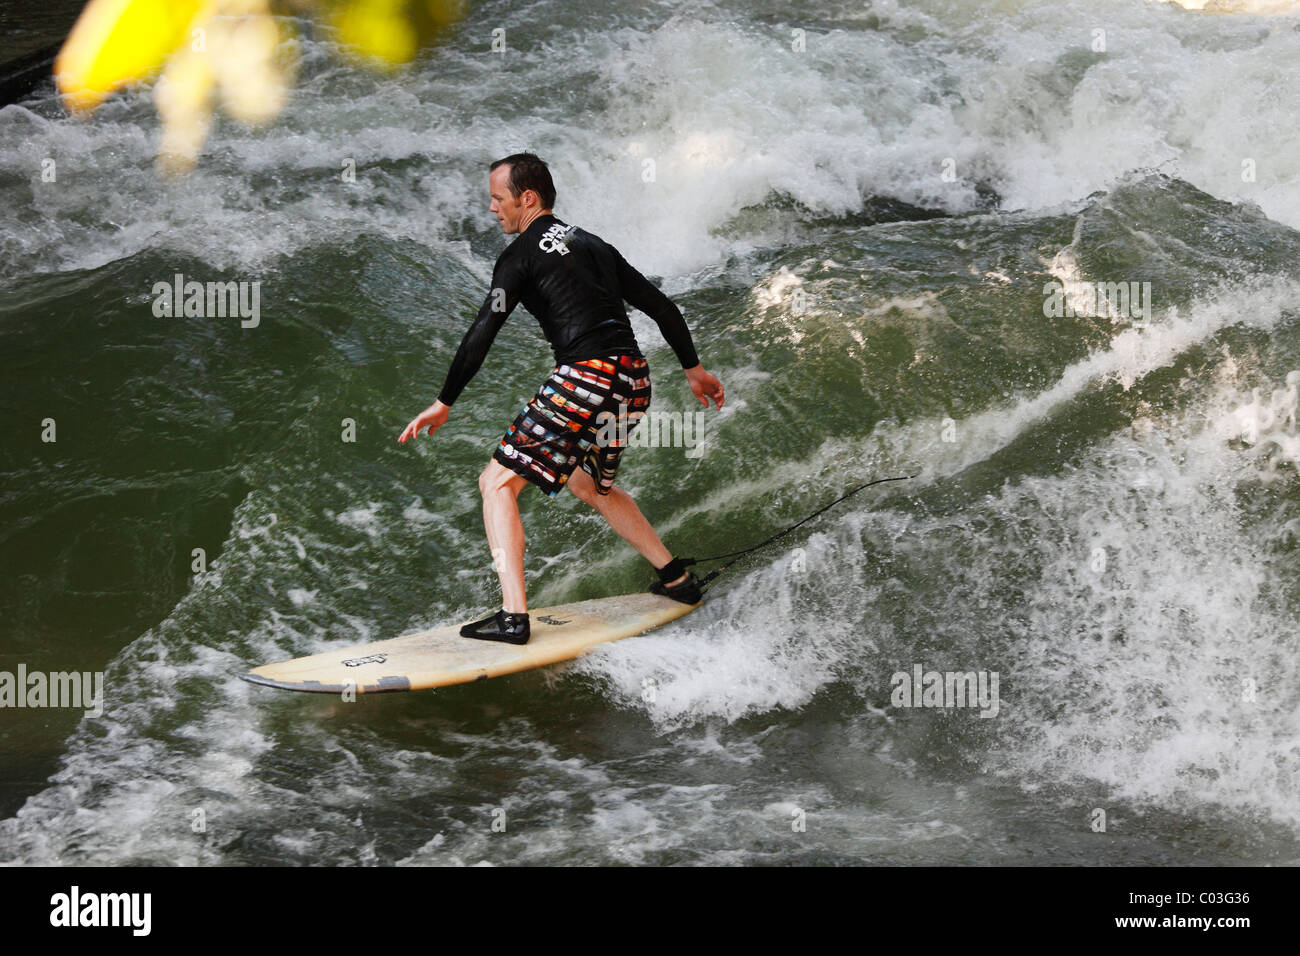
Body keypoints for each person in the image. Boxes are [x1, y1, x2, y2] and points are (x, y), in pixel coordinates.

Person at [399, 153, 725, 645]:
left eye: (497, 197)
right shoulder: (592, 244)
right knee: (592, 485)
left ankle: (513, 617)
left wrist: (445, 400)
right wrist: (693, 368)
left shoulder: (519, 256)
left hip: (587, 376)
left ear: (527, 198)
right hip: (632, 381)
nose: (492, 208)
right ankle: (676, 578)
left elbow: (484, 327)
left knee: (496, 484)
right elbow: (660, 306)